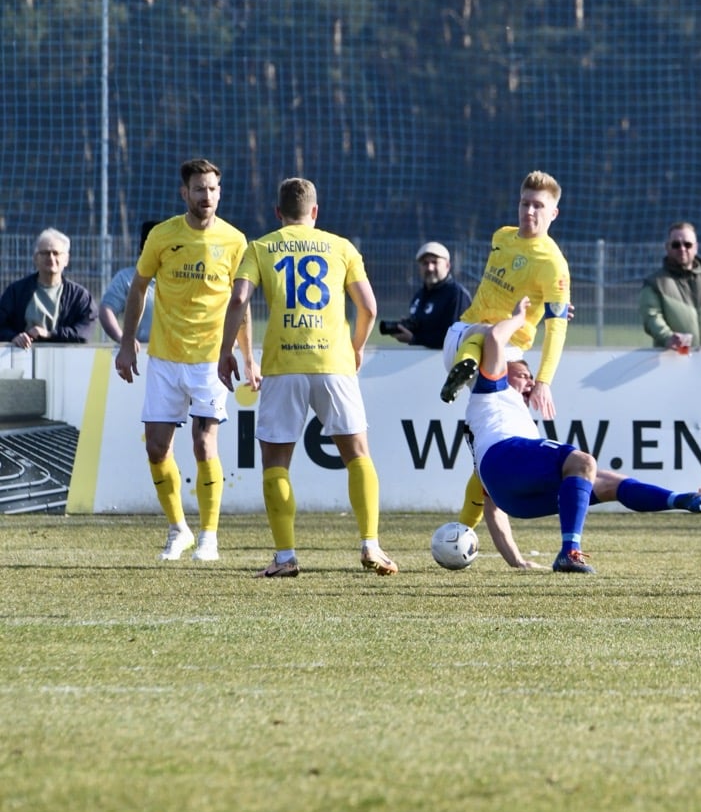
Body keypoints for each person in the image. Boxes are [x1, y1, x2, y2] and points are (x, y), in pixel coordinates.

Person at [464, 298, 701, 574]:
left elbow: (493, 508)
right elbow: (496, 336)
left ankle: (682, 500)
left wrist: (516, 561)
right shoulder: (492, 389)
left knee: (608, 483)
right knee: (582, 462)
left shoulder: (503, 422)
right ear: (502, 370)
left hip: (511, 496)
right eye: (523, 374)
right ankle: (570, 552)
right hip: (504, 461)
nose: (531, 382)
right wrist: (520, 317)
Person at [217, 177, 396, 578]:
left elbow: (239, 299)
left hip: (283, 367)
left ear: (278, 213)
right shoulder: (341, 247)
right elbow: (369, 306)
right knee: (357, 455)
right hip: (333, 363)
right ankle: (371, 545)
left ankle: (284, 558)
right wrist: (357, 346)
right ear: (315, 212)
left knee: (276, 463)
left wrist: (227, 351)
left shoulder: (260, 247)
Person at [114, 158, 258, 563]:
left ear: (219, 192)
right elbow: (139, 287)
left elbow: (241, 305)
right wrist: (127, 343)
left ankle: (209, 535)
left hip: (211, 360)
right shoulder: (162, 236)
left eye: (212, 189)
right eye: (199, 189)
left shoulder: (234, 240)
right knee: (157, 448)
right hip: (164, 360)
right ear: (185, 193)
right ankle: (179, 529)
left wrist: (247, 356)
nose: (206, 197)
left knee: (203, 442)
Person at [439, 170, 571, 419]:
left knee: (504, 421)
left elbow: (557, 327)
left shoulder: (553, 264)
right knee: (488, 332)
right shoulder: (501, 236)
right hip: (461, 334)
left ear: (553, 214)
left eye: (538, 206)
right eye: (525, 203)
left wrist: (543, 381)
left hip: (505, 350)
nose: (529, 211)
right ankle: (463, 366)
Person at [640, 222, 701, 351]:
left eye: (687, 244)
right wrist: (668, 338)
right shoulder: (654, 283)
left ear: (696, 247)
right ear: (667, 247)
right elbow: (651, 318)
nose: (682, 248)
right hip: (672, 364)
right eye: (676, 245)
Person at [0, 228, 96, 347]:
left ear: (66, 259)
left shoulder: (80, 296)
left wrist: (51, 334)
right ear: (35, 258)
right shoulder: (15, 292)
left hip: (66, 359)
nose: (50, 258)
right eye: (45, 253)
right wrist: (13, 337)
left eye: (56, 253)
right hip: (21, 358)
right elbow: (1, 325)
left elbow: (84, 332)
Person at [387, 241, 472, 349]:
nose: (430, 268)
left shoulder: (456, 294)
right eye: (425, 263)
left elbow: (455, 337)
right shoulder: (419, 296)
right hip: (420, 361)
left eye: (434, 262)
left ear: (447, 265)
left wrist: (415, 339)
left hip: (446, 363)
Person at [100, 221, 159, 344]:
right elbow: (107, 309)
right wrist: (122, 338)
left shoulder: (180, 279)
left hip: (174, 355)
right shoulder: (126, 278)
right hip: (141, 352)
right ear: (141, 250)